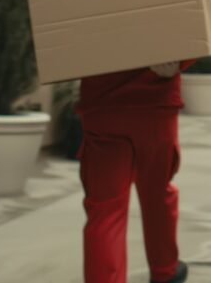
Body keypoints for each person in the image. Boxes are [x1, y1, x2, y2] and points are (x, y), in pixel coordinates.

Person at [76, 60, 193, 283]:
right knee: (157, 193)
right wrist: (182, 60)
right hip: (156, 104)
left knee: (106, 210)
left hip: (103, 105)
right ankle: (164, 270)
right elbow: (194, 29)